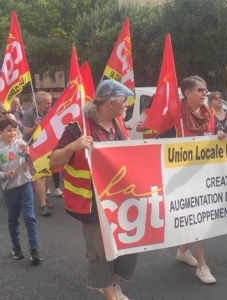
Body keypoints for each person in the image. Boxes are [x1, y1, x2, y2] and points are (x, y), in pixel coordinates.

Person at [50, 80, 137, 300]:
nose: (127, 105)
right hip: (92, 203)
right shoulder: (77, 128)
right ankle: (110, 295)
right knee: (99, 252)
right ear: (110, 103)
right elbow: (52, 162)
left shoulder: (119, 124)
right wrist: (73, 146)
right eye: (123, 101)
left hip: (120, 199)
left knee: (128, 247)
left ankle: (110, 282)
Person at [159, 76, 225, 284]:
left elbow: (209, 140)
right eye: (200, 90)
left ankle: (182, 250)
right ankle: (202, 264)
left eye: (206, 90)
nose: (205, 94)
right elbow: (158, 142)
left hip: (203, 175)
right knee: (198, 219)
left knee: (195, 217)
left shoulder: (208, 114)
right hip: (181, 177)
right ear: (187, 93)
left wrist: (218, 137)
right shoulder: (174, 114)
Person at [0, 118, 42, 264]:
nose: (12, 133)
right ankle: (16, 246)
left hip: (25, 185)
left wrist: (28, 154)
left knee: (30, 217)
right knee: (13, 219)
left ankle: (34, 249)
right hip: (10, 190)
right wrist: (3, 175)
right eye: (8, 130)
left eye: (14, 130)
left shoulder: (22, 145)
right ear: (1, 133)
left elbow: (33, 163)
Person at [23, 91, 54, 216]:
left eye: (50, 103)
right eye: (47, 104)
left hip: (48, 147)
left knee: (47, 175)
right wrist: (35, 126)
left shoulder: (51, 112)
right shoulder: (29, 114)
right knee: (41, 175)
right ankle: (43, 204)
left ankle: (44, 198)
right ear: (39, 103)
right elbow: (25, 133)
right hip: (35, 148)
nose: (49, 106)